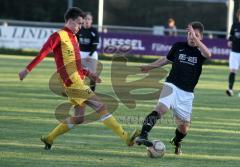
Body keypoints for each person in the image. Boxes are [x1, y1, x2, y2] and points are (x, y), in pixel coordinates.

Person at [18, 7, 139, 150]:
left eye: (82, 24)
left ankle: (49, 138)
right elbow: (43, 52)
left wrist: (89, 74)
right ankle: (126, 138)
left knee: (79, 118)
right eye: (79, 23)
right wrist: (27, 69)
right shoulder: (58, 36)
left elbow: (75, 63)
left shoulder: (74, 37)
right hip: (72, 82)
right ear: (70, 20)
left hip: (76, 80)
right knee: (101, 106)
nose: (80, 27)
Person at [135, 21, 211, 155]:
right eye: (189, 34)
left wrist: (195, 38)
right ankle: (143, 134)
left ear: (201, 37)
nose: (192, 37)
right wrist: (149, 66)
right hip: (171, 85)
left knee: (184, 128)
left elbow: (208, 54)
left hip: (186, 94)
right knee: (160, 109)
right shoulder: (178, 46)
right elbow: (165, 60)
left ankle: (176, 141)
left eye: (196, 35)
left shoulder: (200, 53)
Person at [77, 12, 99, 92]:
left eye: (88, 19)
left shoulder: (94, 31)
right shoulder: (79, 30)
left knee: (92, 74)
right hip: (81, 53)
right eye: (85, 19)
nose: (87, 21)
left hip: (91, 54)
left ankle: (92, 92)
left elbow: (95, 45)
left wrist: (90, 55)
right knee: (79, 73)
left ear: (91, 21)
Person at [226, 9, 240, 96]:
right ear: (238, 15)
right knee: (233, 71)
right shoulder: (234, 25)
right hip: (234, 52)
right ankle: (230, 89)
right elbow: (231, 36)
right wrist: (230, 41)